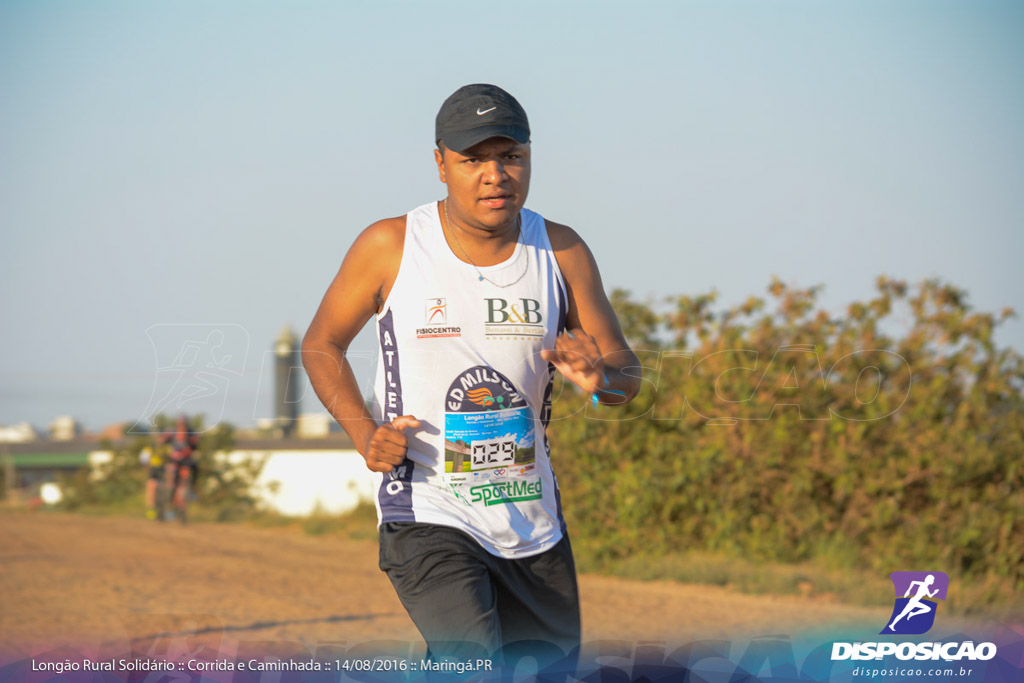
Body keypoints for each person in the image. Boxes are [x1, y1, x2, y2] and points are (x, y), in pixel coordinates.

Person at [302, 84, 640, 669]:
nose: (496, 174)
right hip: (429, 512)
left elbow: (625, 375)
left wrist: (600, 380)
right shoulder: (393, 245)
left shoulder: (561, 251)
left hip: (534, 525)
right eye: (473, 159)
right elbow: (321, 345)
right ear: (440, 163)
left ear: (529, 157)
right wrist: (366, 437)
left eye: (511, 156)